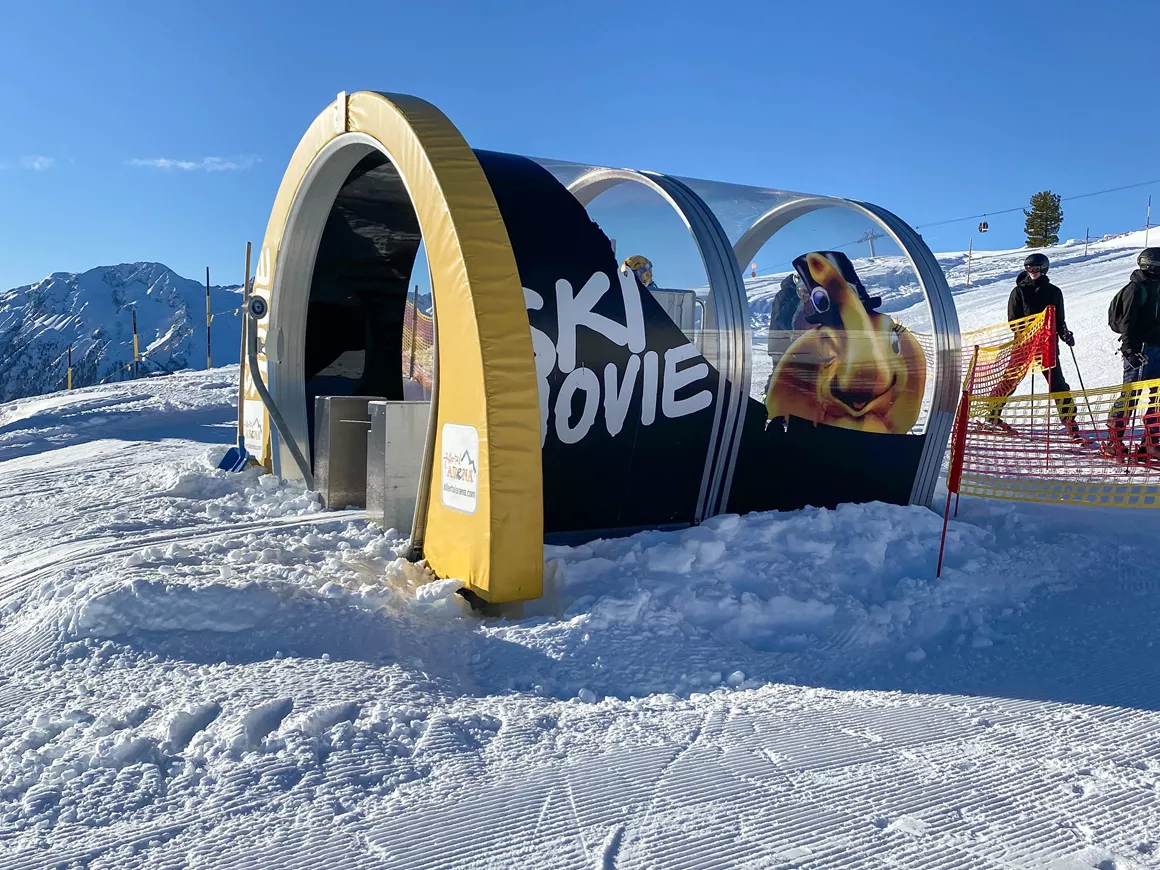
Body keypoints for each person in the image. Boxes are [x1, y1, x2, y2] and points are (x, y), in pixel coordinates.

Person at [987, 252, 1077, 434]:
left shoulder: (1053, 291)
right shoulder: (1019, 291)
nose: (1032, 272)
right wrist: (1028, 335)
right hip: (1024, 344)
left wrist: (1064, 334)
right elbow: (1014, 321)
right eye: (1028, 268)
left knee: (1057, 382)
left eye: (1036, 268)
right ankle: (992, 415)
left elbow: (1059, 318)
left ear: (1044, 269)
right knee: (1010, 380)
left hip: (1047, 344)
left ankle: (1069, 420)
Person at [1105, 247, 1160, 461]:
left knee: (1158, 397)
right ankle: (1114, 440)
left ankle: (1151, 442)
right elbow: (1128, 321)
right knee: (1130, 396)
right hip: (1140, 349)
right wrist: (1129, 349)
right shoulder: (1136, 289)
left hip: (1157, 348)